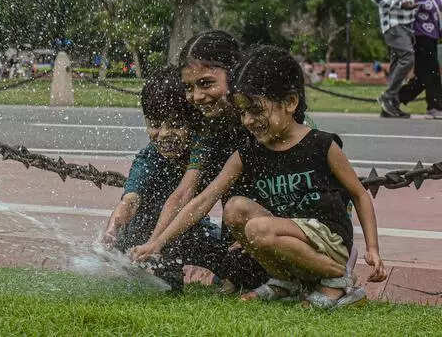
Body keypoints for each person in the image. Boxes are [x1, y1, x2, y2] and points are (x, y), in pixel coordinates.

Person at [132, 45, 387, 308]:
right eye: (242, 112)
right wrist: (158, 242)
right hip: (286, 231)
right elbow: (203, 199)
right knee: (234, 208)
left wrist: (373, 249)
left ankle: (337, 279)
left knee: (258, 228)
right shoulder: (249, 151)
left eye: (256, 110)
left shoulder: (321, 144)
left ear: (290, 102)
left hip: (328, 238)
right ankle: (285, 280)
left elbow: (358, 194)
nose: (248, 121)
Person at [132, 30, 268, 292]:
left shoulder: (263, 119)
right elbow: (185, 193)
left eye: (206, 83)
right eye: (189, 87)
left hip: (292, 222)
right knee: (235, 275)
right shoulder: (210, 129)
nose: (196, 96)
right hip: (240, 228)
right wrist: (154, 243)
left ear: (234, 73)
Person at [102, 65, 236, 293]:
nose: (164, 134)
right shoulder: (148, 157)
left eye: (175, 125)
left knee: (229, 258)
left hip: (192, 230)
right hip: (156, 231)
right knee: (129, 233)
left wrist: (156, 243)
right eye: (155, 125)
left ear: (194, 122)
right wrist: (112, 229)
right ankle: (165, 273)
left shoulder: (207, 148)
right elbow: (130, 200)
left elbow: (180, 197)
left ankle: (219, 273)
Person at [371, 0, 418, 118]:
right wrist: (399, 4)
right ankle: (387, 96)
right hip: (393, 23)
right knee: (408, 58)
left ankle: (390, 107)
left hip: (407, 26)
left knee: (397, 64)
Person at [397, 0, 442, 119]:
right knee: (432, 73)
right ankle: (434, 107)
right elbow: (407, 16)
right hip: (420, 38)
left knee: (424, 77)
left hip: (434, 37)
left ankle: (395, 98)